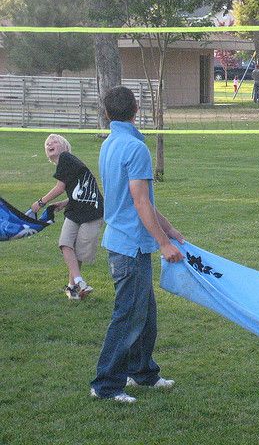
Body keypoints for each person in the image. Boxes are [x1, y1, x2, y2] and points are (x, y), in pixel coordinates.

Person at [90, 86, 184, 404]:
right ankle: (105, 384)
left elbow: (139, 200)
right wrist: (163, 244)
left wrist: (169, 229)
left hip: (126, 242)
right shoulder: (134, 147)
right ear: (137, 108)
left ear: (107, 113)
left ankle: (142, 372)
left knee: (145, 314)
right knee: (128, 315)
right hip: (129, 246)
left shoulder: (110, 143)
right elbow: (139, 200)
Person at [30, 134, 104, 300]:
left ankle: (73, 287)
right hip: (75, 208)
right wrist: (65, 202)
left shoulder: (66, 157)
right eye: (47, 143)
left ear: (64, 146)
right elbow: (77, 188)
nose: (50, 143)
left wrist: (40, 202)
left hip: (92, 211)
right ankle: (77, 284)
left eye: (54, 141)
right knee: (65, 243)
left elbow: (60, 187)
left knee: (79, 251)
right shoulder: (66, 163)